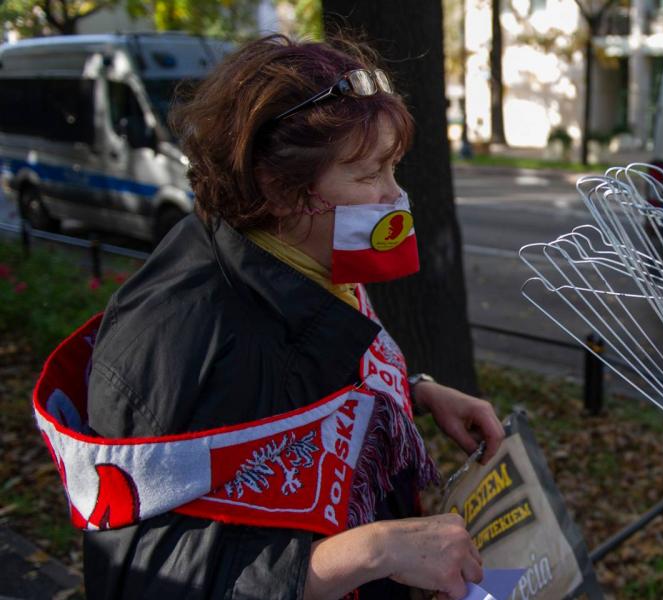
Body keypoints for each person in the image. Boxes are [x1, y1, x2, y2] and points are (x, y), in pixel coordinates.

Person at [34, 36, 506, 599]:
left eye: (393, 166)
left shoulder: (306, 259)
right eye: (368, 174)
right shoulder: (180, 340)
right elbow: (142, 576)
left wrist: (415, 392)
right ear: (280, 189)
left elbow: (295, 393)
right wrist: (368, 553)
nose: (394, 194)